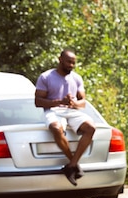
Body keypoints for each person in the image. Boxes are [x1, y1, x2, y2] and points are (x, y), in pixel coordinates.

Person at [35, 49, 96, 187]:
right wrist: (59, 102)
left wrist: (74, 103)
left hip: (71, 110)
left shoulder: (76, 78)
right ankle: (74, 164)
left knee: (91, 128)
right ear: (60, 59)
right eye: (69, 62)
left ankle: (72, 165)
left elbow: (83, 102)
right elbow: (38, 101)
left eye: (74, 63)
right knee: (56, 128)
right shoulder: (46, 77)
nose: (71, 65)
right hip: (53, 110)